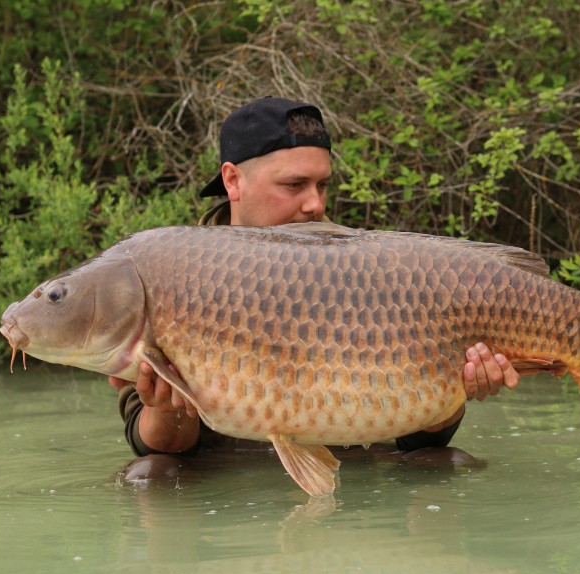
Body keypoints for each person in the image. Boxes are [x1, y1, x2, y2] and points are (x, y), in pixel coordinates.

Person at [111, 97, 520, 461]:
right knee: (149, 478)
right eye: (294, 185)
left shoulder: (370, 270)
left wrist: (451, 396)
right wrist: (165, 409)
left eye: (322, 185)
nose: (315, 204)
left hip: (359, 478)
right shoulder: (171, 274)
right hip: (232, 484)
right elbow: (156, 446)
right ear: (233, 181)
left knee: (448, 465)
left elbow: (419, 442)